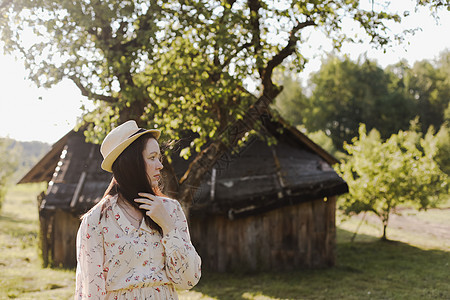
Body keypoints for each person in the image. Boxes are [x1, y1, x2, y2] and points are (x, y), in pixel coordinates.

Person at [75, 120, 201, 300]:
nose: (160, 165)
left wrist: (168, 227)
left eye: (159, 157)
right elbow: (90, 292)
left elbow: (189, 280)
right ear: (131, 163)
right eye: (152, 158)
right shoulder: (97, 219)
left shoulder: (171, 210)